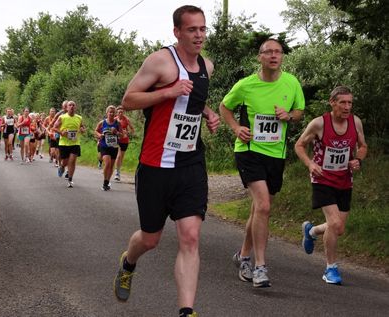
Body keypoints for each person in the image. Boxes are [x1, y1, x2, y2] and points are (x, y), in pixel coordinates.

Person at [113, 6, 220, 317]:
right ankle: (128, 262)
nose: (199, 35)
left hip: (190, 163)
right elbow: (128, 100)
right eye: (192, 30)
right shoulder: (160, 61)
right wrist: (168, 92)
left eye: (202, 29)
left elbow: (195, 101)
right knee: (150, 238)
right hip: (156, 164)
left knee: (190, 235)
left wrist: (209, 113)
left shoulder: (207, 66)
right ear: (177, 32)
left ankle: (186, 311)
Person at [219, 38, 305, 288]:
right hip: (249, 151)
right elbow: (225, 107)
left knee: (259, 210)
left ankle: (243, 255)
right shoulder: (246, 85)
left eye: (278, 52)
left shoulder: (291, 82)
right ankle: (260, 267)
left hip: (276, 155)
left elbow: (299, 112)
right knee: (264, 206)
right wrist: (236, 128)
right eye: (268, 52)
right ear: (260, 57)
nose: (274, 56)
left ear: (282, 57)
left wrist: (288, 116)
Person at [294, 86, 367, 285]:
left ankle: (311, 231)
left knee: (339, 228)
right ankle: (330, 269)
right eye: (342, 102)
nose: (347, 107)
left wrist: (358, 160)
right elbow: (299, 145)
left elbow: (363, 146)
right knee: (334, 223)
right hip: (322, 179)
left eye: (350, 102)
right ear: (332, 102)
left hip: (344, 179)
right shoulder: (319, 124)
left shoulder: (355, 122)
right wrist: (310, 164)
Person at [54, 100, 85, 188]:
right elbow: (54, 128)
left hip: (75, 143)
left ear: (75, 107)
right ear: (67, 108)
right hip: (64, 143)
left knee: (72, 161)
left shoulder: (79, 117)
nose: (71, 106)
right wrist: (61, 132)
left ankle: (70, 179)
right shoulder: (62, 117)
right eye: (70, 105)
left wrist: (82, 130)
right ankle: (62, 167)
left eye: (73, 105)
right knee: (65, 162)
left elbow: (82, 127)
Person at [95, 105, 122, 191]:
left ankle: (107, 182)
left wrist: (116, 132)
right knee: (107, 163)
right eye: (110, 112)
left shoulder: (118, 123)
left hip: (114, 146)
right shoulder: (102, 123)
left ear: (115, 114)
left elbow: (122, 135)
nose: (111, 113)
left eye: (113, 112)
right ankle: (104, 181)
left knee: (111, 166)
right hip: (104, 146)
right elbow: (95, 131)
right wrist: (100, 135)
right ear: (107, 113)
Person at [114, 105, 135, 181]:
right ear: (117, 113)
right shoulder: (115, 120)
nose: (120, 113)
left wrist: (127, 132)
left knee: (121, 157)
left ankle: (118, 170)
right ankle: (117, 173)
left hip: (125, 140)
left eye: (122, 112)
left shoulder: (126, 119)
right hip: (117, 140)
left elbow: (132, 130)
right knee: (119, 156)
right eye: (119, 112)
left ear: (124, 112)